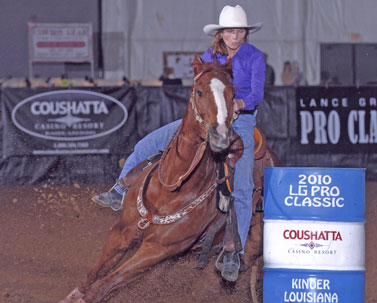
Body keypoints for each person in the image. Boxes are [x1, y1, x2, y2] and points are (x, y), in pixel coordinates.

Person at [92, 4, 265, 281]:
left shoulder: (255, 57)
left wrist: (239, 103)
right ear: (222, 33)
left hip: (240, 119)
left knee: (243, 184)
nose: (236, 36)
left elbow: (257, 92)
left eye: (240, 31)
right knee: (149, 144)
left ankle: (233, 250)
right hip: (207, 118)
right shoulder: (210, 57)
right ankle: (119, 189)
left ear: (246, 32)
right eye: (231, 31)